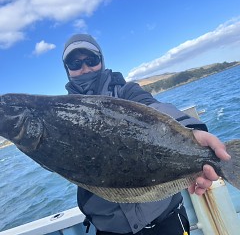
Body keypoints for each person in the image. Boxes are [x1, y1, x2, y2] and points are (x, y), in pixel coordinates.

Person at [62, 34, 231, 235]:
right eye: (75, 63)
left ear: (102, 60)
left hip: (165, 217)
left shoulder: (127, 92)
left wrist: (191, 132)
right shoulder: (61, 114)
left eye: (91, 60)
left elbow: (156, 109)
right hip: (111, 227)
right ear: (67, 70)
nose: (85, 68)